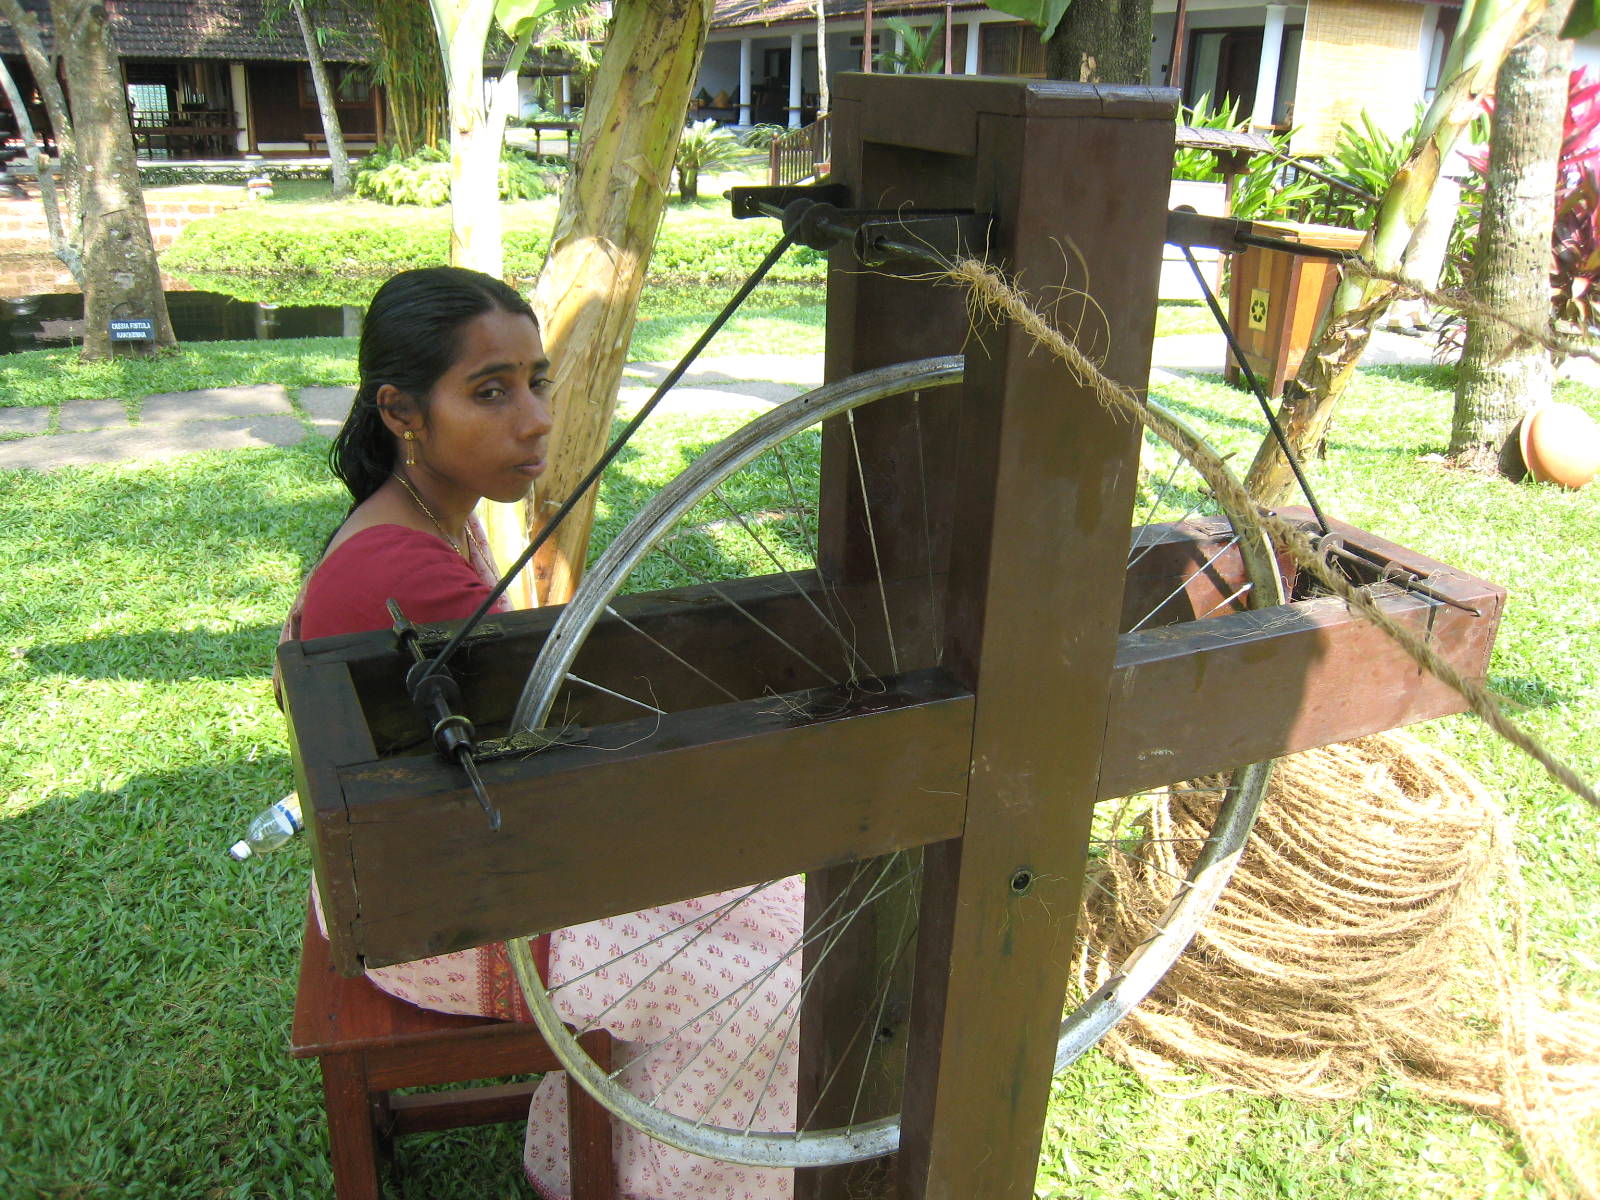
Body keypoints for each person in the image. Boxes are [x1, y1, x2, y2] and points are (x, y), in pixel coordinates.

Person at [285, 267, 799, 1200]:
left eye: (536, 382)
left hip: (443, 865)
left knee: (787, 901)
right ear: (401, 412)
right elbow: (560, 781)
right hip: (431, 919)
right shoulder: (408, 571)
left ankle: (601, 1150)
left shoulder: (427, 519)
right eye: (490, 393)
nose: (535, 420)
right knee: (780, 987)